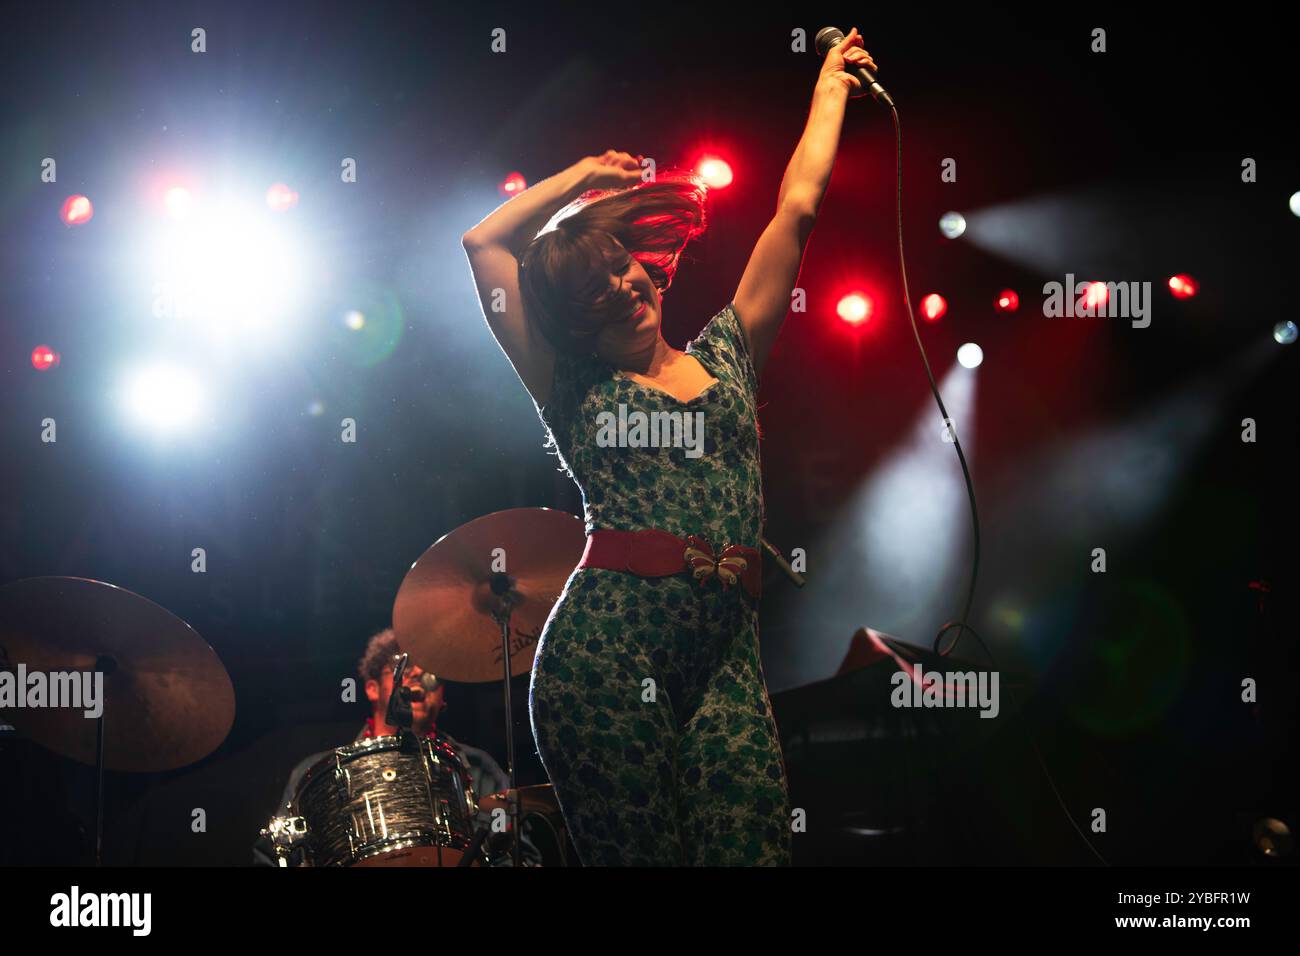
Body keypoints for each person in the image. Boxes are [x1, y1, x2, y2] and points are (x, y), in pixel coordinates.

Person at [460, 30, 877, 865]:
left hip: (725, 661)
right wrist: (581, 181)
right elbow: (485, 245)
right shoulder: (569, 384)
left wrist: (830, 88)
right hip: (606, 661)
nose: (621, 287)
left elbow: (796, 207)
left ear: (648, 263)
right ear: (574, 322)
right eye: (593, 289)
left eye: (623, 265)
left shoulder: (726, 351)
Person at [254, 628, 515, 865]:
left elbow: (513, 854)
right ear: (371, 689)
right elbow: (272, 854)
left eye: (429, 672)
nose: (417, 674)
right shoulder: (313, 773)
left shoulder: (477, 769)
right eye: (402, 665)